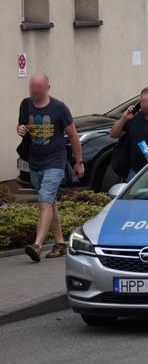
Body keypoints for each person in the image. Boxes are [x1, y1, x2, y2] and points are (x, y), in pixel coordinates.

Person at [17, 73, 84, 262]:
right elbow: (21, 126)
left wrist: (79, 162)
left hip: (55, 161)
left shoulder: (59, 108)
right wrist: (20, 129)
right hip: (35, 162)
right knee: (50, 202)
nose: (34, 91)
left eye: (38, 87)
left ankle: (37, 245)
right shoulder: (25, 104)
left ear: (47, 87)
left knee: (44, 201)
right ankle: (61, 243)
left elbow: (73, 135)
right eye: (32, 87)